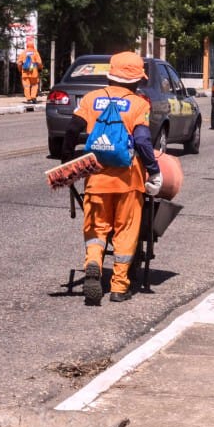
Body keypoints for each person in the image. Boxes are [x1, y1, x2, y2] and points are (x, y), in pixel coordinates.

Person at [61, 51, 162, 306]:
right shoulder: (139, 104)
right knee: (126, 233)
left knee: (96, 229)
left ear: (111, 75)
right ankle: (119, 286)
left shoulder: (91, 99)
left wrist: (68, 165)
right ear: (137, 80)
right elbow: (141, 140)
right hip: (129, 180)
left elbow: (72, 130)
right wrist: (154, 170)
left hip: (96, 177)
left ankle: (93, 262)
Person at [18, 39, 44, 105]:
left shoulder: (23, 53)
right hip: (34, 72)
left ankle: (28, 99)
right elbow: (39, 62)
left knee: (26, 86)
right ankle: (33, 97)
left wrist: (20, 70)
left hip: (25, 72)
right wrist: (40, 68)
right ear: (33, 45)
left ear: (27, 45)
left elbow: (19, 63)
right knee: (34, 85)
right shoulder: (35, 52)